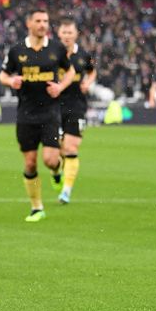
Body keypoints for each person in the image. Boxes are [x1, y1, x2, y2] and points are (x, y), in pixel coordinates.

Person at [0, 9, 74, 222]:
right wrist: (10, 81)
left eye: (46, 21)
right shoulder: (17, 51)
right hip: (25, 114)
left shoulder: (57, 49)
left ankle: (56, 170)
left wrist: (60, 88)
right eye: (39, 21)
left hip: (50, 112)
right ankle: (36, 207)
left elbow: (70, 72)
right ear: (29, 23)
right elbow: (3, 74)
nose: (43, 24)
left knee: (50, 160)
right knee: (30, 163)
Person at [56, 18, 96, 204]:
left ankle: (66, 191)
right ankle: (56, 172)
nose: (67, 36)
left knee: (71, 148)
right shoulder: (51, 53)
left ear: (76, 34)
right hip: (53, 106)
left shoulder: (83, 55)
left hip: (76, 105)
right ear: (59, 34)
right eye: (64, 32)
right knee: (56, 151)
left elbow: (92, 71)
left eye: (70, 32)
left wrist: (88, 82)